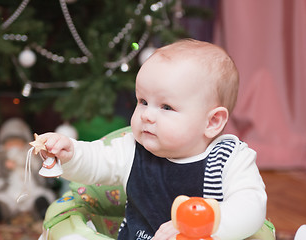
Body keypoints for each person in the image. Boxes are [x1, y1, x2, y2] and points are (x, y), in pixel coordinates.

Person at [37, 39, 267, 240]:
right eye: (143, 101)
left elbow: (250, 207)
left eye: (166, 107)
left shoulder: (230, 160)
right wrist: (71, 154)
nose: (146, 115)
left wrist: (203, 224)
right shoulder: (132, 148)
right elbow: (96, 161)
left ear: (212, 122)